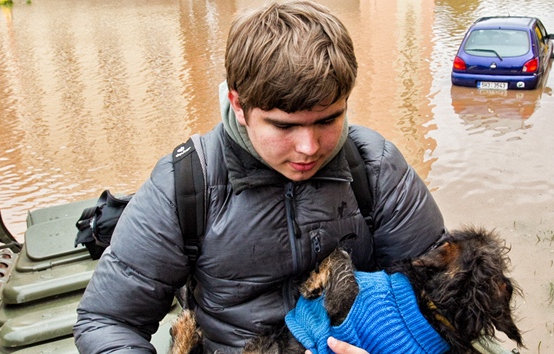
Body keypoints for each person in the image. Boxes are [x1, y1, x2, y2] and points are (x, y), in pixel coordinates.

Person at [73, 1, 446, 353]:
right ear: (239, 105)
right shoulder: (185, 185)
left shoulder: (375, 166)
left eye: (329, 120)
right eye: (284, 126)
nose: (309, 147)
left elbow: (444, 292)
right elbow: (108, 320)